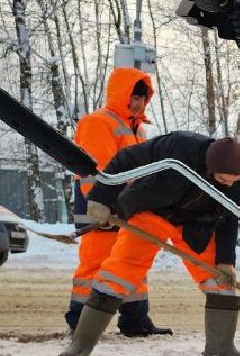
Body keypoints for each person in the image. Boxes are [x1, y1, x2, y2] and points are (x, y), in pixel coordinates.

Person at [56, 134, 240, 356]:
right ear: (209, 168)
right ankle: (79, 347)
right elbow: (125, 159)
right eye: (222, 179)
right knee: (118, 274)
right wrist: (101, 198)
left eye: (233, 181)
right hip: (151, 211)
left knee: (221, 280)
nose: (228, 185)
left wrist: (224, 261)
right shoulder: (179, 147)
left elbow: (229, 219)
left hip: (194, 224)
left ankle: (220, 351)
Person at [66, 67, 171, 337]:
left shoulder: (138, 132)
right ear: (120, 93)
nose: (137, 102)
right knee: (95, 266)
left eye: (142, 98)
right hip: (100, 208)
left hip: (128, 208)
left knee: (133, 264)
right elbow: (98, 171)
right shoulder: (98, 122)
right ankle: (80, 321)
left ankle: (135, 321)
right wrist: (103, 206)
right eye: (134, 96)